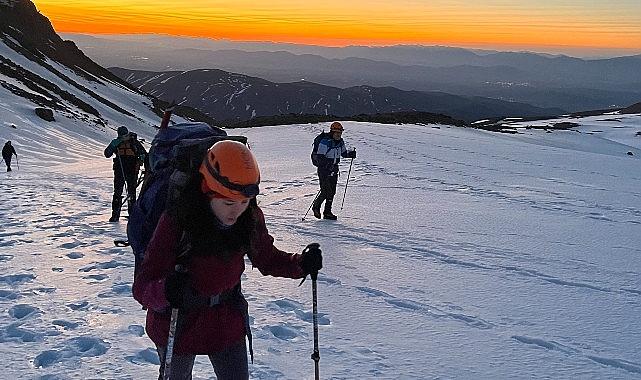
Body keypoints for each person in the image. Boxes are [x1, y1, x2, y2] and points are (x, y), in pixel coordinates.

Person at [132, 140, 323, 380]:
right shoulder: (177, 220)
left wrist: (300, 264)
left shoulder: (248, 217)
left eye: (244, 203)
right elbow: (142, 286)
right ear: (207, 190)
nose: (236, 211)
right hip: (178, 321)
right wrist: (166, 290)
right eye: (228, 203)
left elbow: (266, 258)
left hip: (224, 321)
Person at [311, 121, 356, 220]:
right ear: (332, 132)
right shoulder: (325, 142)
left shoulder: (341, 142)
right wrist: (327, 165)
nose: (338, 135)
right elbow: (320, 157)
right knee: (325, 191)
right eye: (336, 133)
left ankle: (327, 212)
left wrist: (350, 154)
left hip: (334, 169)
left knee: (332, 192)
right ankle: (316, 207)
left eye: (340, 133)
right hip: (324, 170)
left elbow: (343, 154)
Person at [104, 126, 146, 222]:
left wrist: (141, 158)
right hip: (120, 170)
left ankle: (132, 215)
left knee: (131, 193)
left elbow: (143, 153)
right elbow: (107, 154)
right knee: (117, 192)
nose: (123, 137)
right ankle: (115, 215)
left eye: (124, 135)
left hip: (132, 171)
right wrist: (114, 145)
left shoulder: (134, 142)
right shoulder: (116, 143)